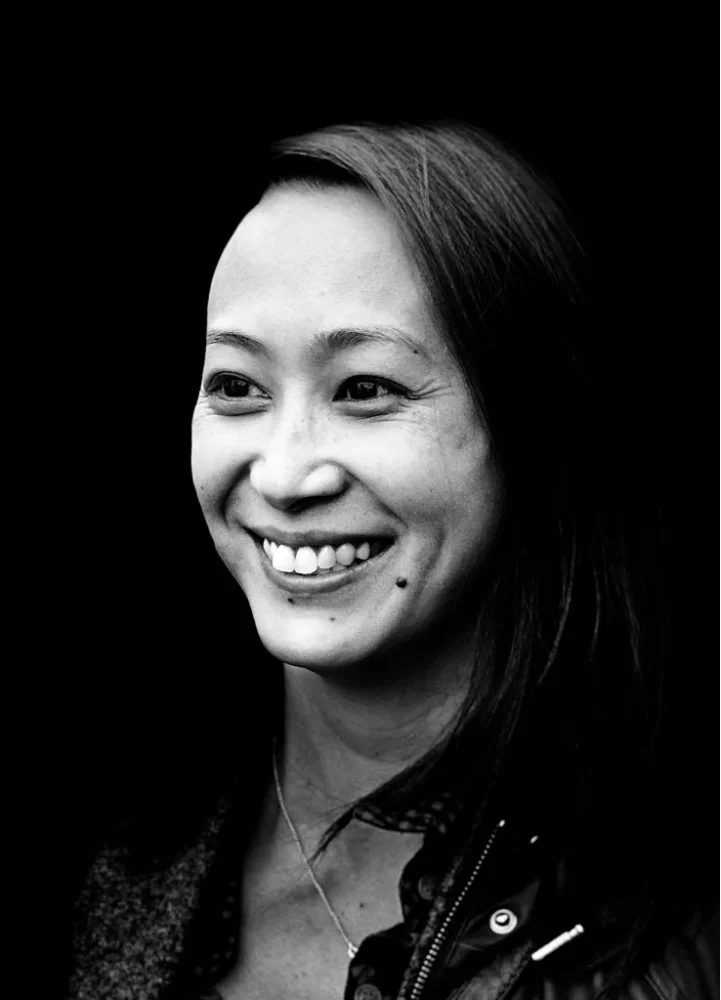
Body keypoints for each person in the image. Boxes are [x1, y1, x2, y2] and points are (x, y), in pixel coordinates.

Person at [67, 120, 718, 999]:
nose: (283, 474)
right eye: (237, 386)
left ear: (536, 428)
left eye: (366, 389)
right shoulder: (104, 839)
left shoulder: (671, 934)